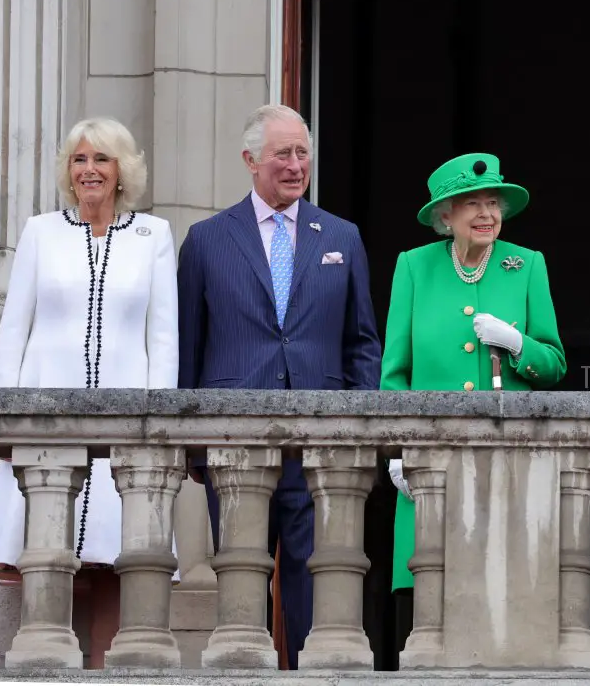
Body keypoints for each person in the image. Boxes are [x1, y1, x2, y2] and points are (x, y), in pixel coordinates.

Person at [177, 104, 381, 669]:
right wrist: (191, 444)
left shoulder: (342, 236)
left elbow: (362, 340)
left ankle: (309, 679)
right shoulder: (207, 240)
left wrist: (360, 427)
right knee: (242, 580)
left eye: (302, 154)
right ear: (250, 161)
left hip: (320, 445)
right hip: (236, 442)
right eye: (282, 155)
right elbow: (188, 349)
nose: (295, 166)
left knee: (315, 582)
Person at [0, 118, 178, 668]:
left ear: (122, 172)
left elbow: (162, 339)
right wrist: (4, 422)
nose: (89, 169)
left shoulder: (153, 236)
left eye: (101, 159)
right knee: (44, 561)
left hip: (125, 429)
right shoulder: (41, 232)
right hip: (45, 426)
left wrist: (159, 430)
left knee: (118, 563)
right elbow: (12, 333)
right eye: (79, 159)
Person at [382, 153, 566, 648]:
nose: (486, 213)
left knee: (503, 600)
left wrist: (516, 343)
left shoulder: (525, 265)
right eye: (472, 204)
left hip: (505, 461)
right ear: (446, 216)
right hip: (431, 464)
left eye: (493, 202)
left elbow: (553, 364)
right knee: (426, 601)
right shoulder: (414, 267)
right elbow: (394, 373)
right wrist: (398, 448)